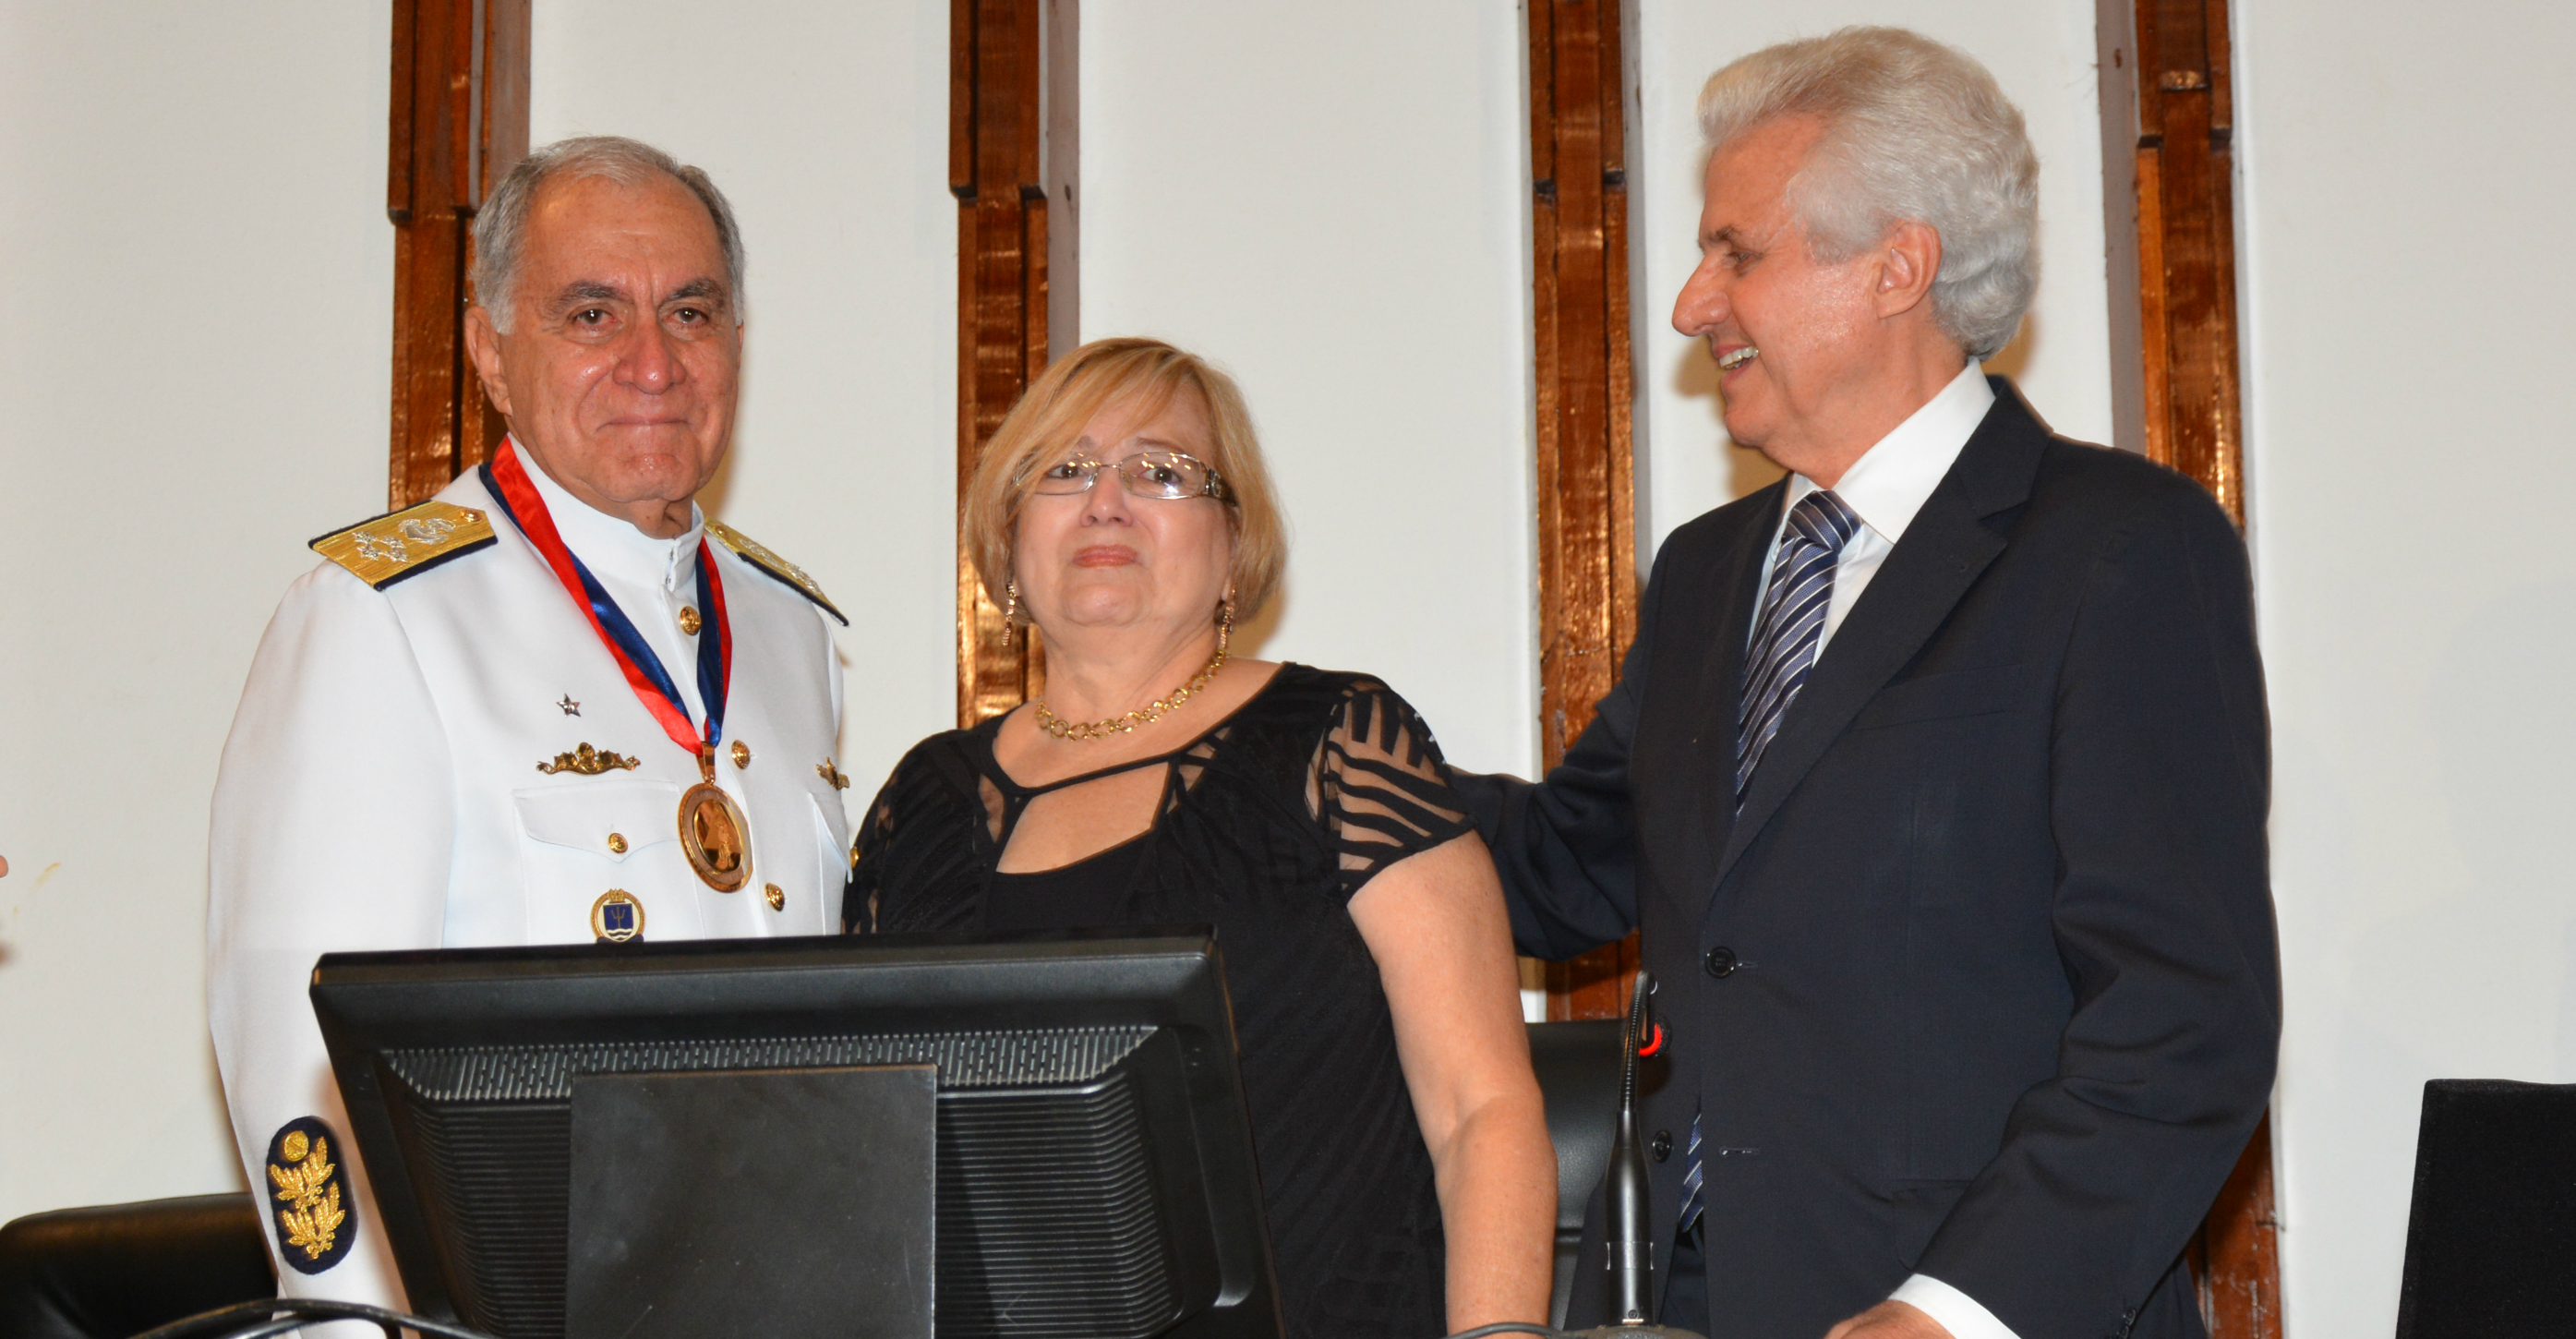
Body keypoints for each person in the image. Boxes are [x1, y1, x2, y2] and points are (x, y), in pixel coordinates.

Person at [1453, 29, 2278, 1339]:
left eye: (1738, 253)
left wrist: (1953, 1311)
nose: (1690, 304)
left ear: (1899, 265)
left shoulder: (2116, 548)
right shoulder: (1708, 569)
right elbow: (1568, 865)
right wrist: (1303, 745)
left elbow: (2183, 1018)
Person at [207, 136, 851, 1317]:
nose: (653, 362)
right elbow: (304, 1062)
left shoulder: (787, 628)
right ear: (491, 352)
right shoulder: (383, 617)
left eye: (692, 311)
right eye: (593, 315)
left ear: (737, 343)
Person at [847, 337, 1557, 1335]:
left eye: (1162, 471)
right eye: (1063, 470)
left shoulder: (1336, 743)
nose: (1106, 501)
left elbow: (1481, 1113)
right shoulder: (919, 799)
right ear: (1008, 541)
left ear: (1234, 545)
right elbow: (862, 1158)